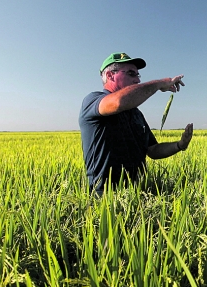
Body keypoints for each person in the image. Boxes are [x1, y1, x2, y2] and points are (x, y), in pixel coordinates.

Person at [79, 52, 193, 194]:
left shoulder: (136, 114)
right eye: (131, 74)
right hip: (105, 201)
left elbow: (152, 150)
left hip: (137, 195)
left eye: (138, 75)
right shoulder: (93, 101)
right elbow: (118, 102)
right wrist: (159, 83)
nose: (137, 80)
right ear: (110, 75)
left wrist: (179, 145)